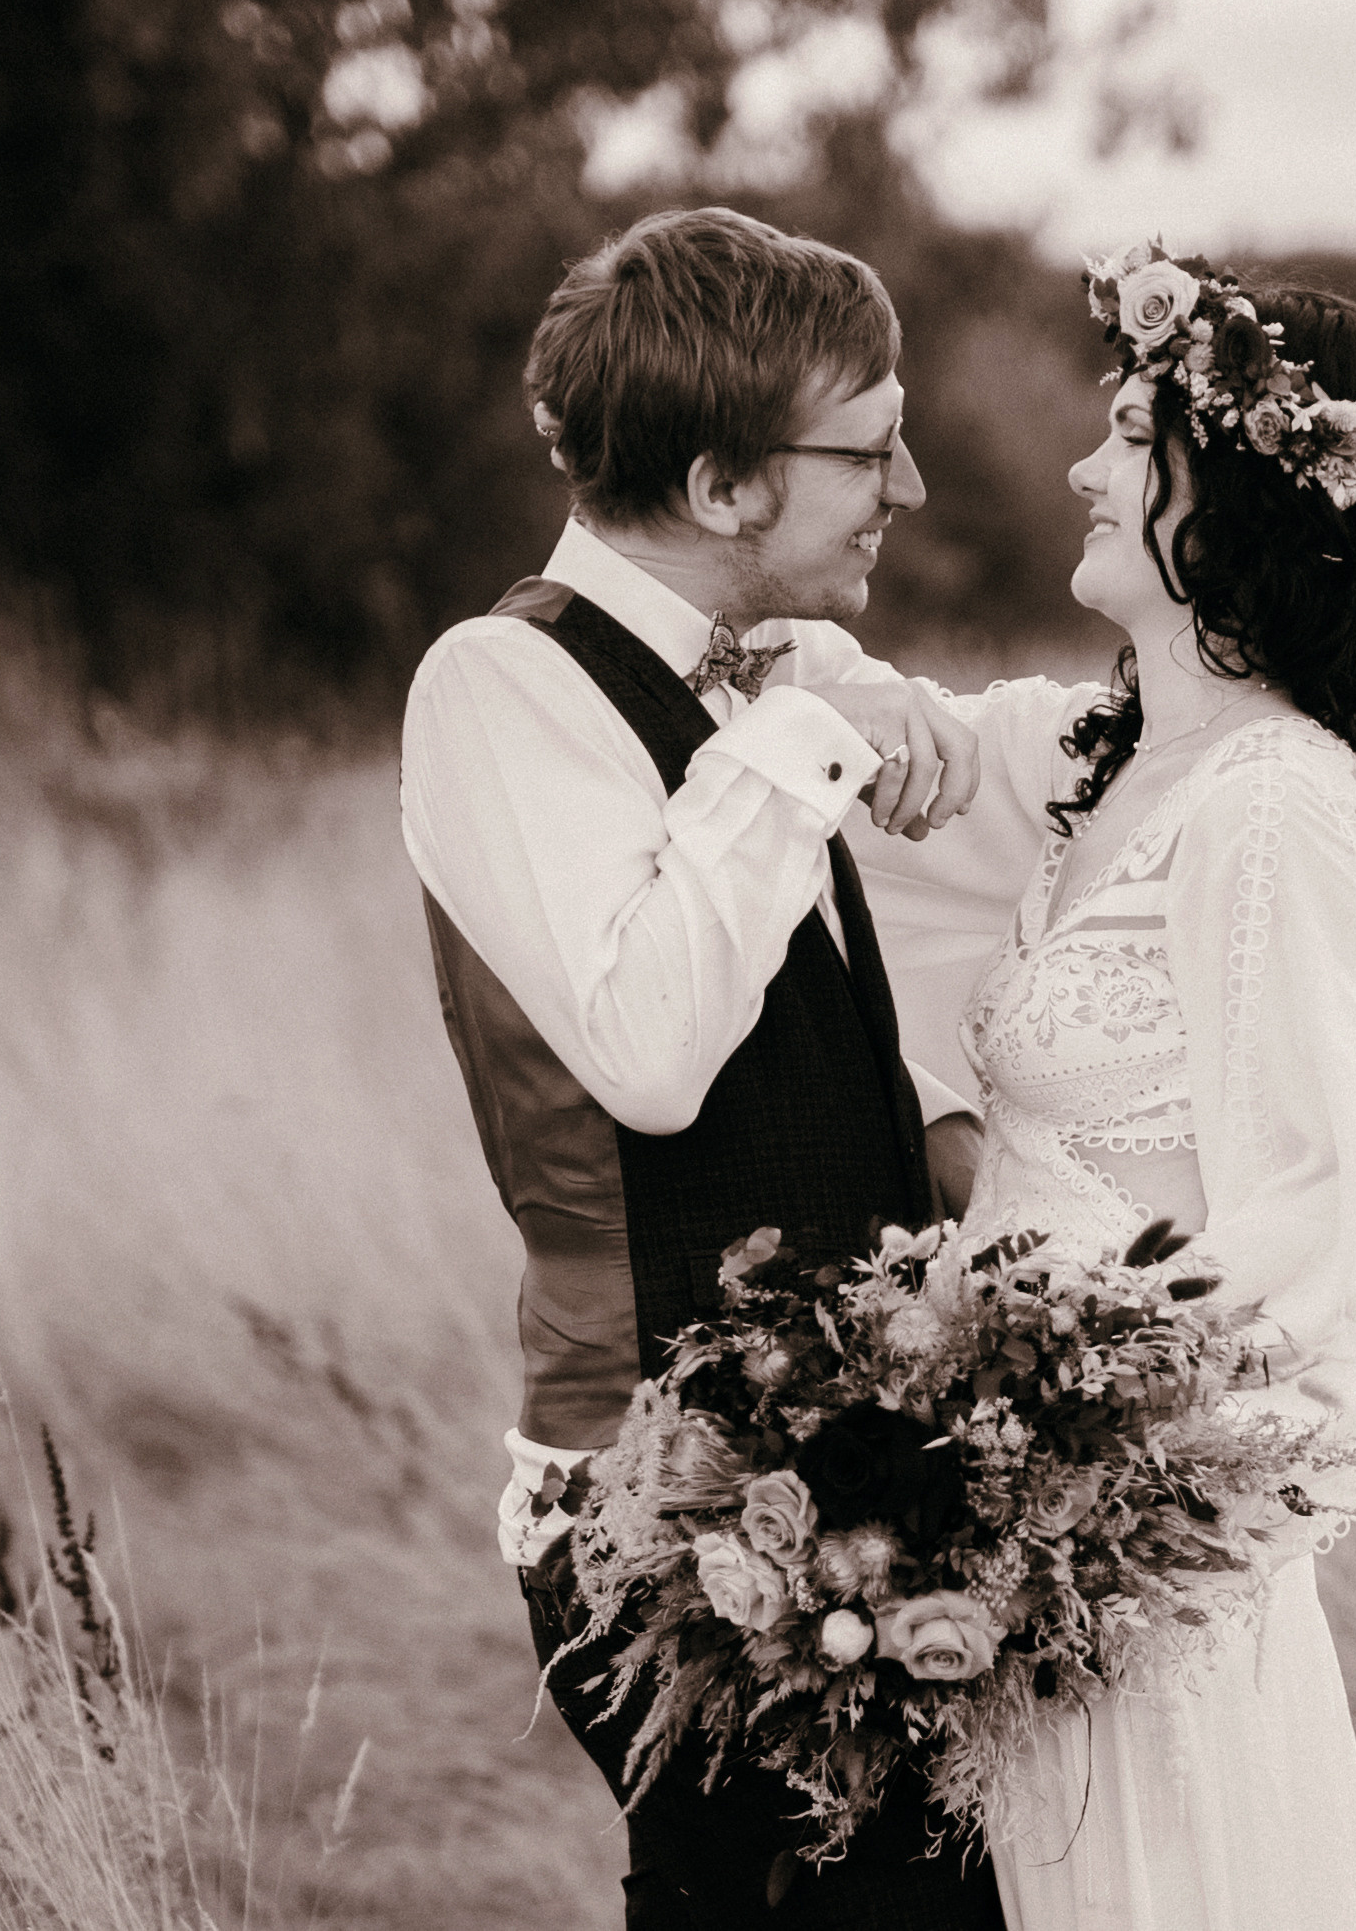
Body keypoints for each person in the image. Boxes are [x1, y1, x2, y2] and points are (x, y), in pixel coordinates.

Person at [842, 243, 1356, 1931]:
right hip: (1015, 1531)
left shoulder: (1274, 798)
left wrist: (1129, 1481)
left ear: (1244, 491)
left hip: (1118, 1554)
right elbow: (884, 752)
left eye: (1130, 434)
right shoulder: (1118, 764)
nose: (1081, 462)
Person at [399, 206, 1002, 1929]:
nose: (912, 487)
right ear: (730, 484)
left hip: (856, 1461)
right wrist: (817, 721)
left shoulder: (787, 670)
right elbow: (653, 1054)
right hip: (657, 1491)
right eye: (868, 450)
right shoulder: (496, 687)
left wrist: (850, 687)